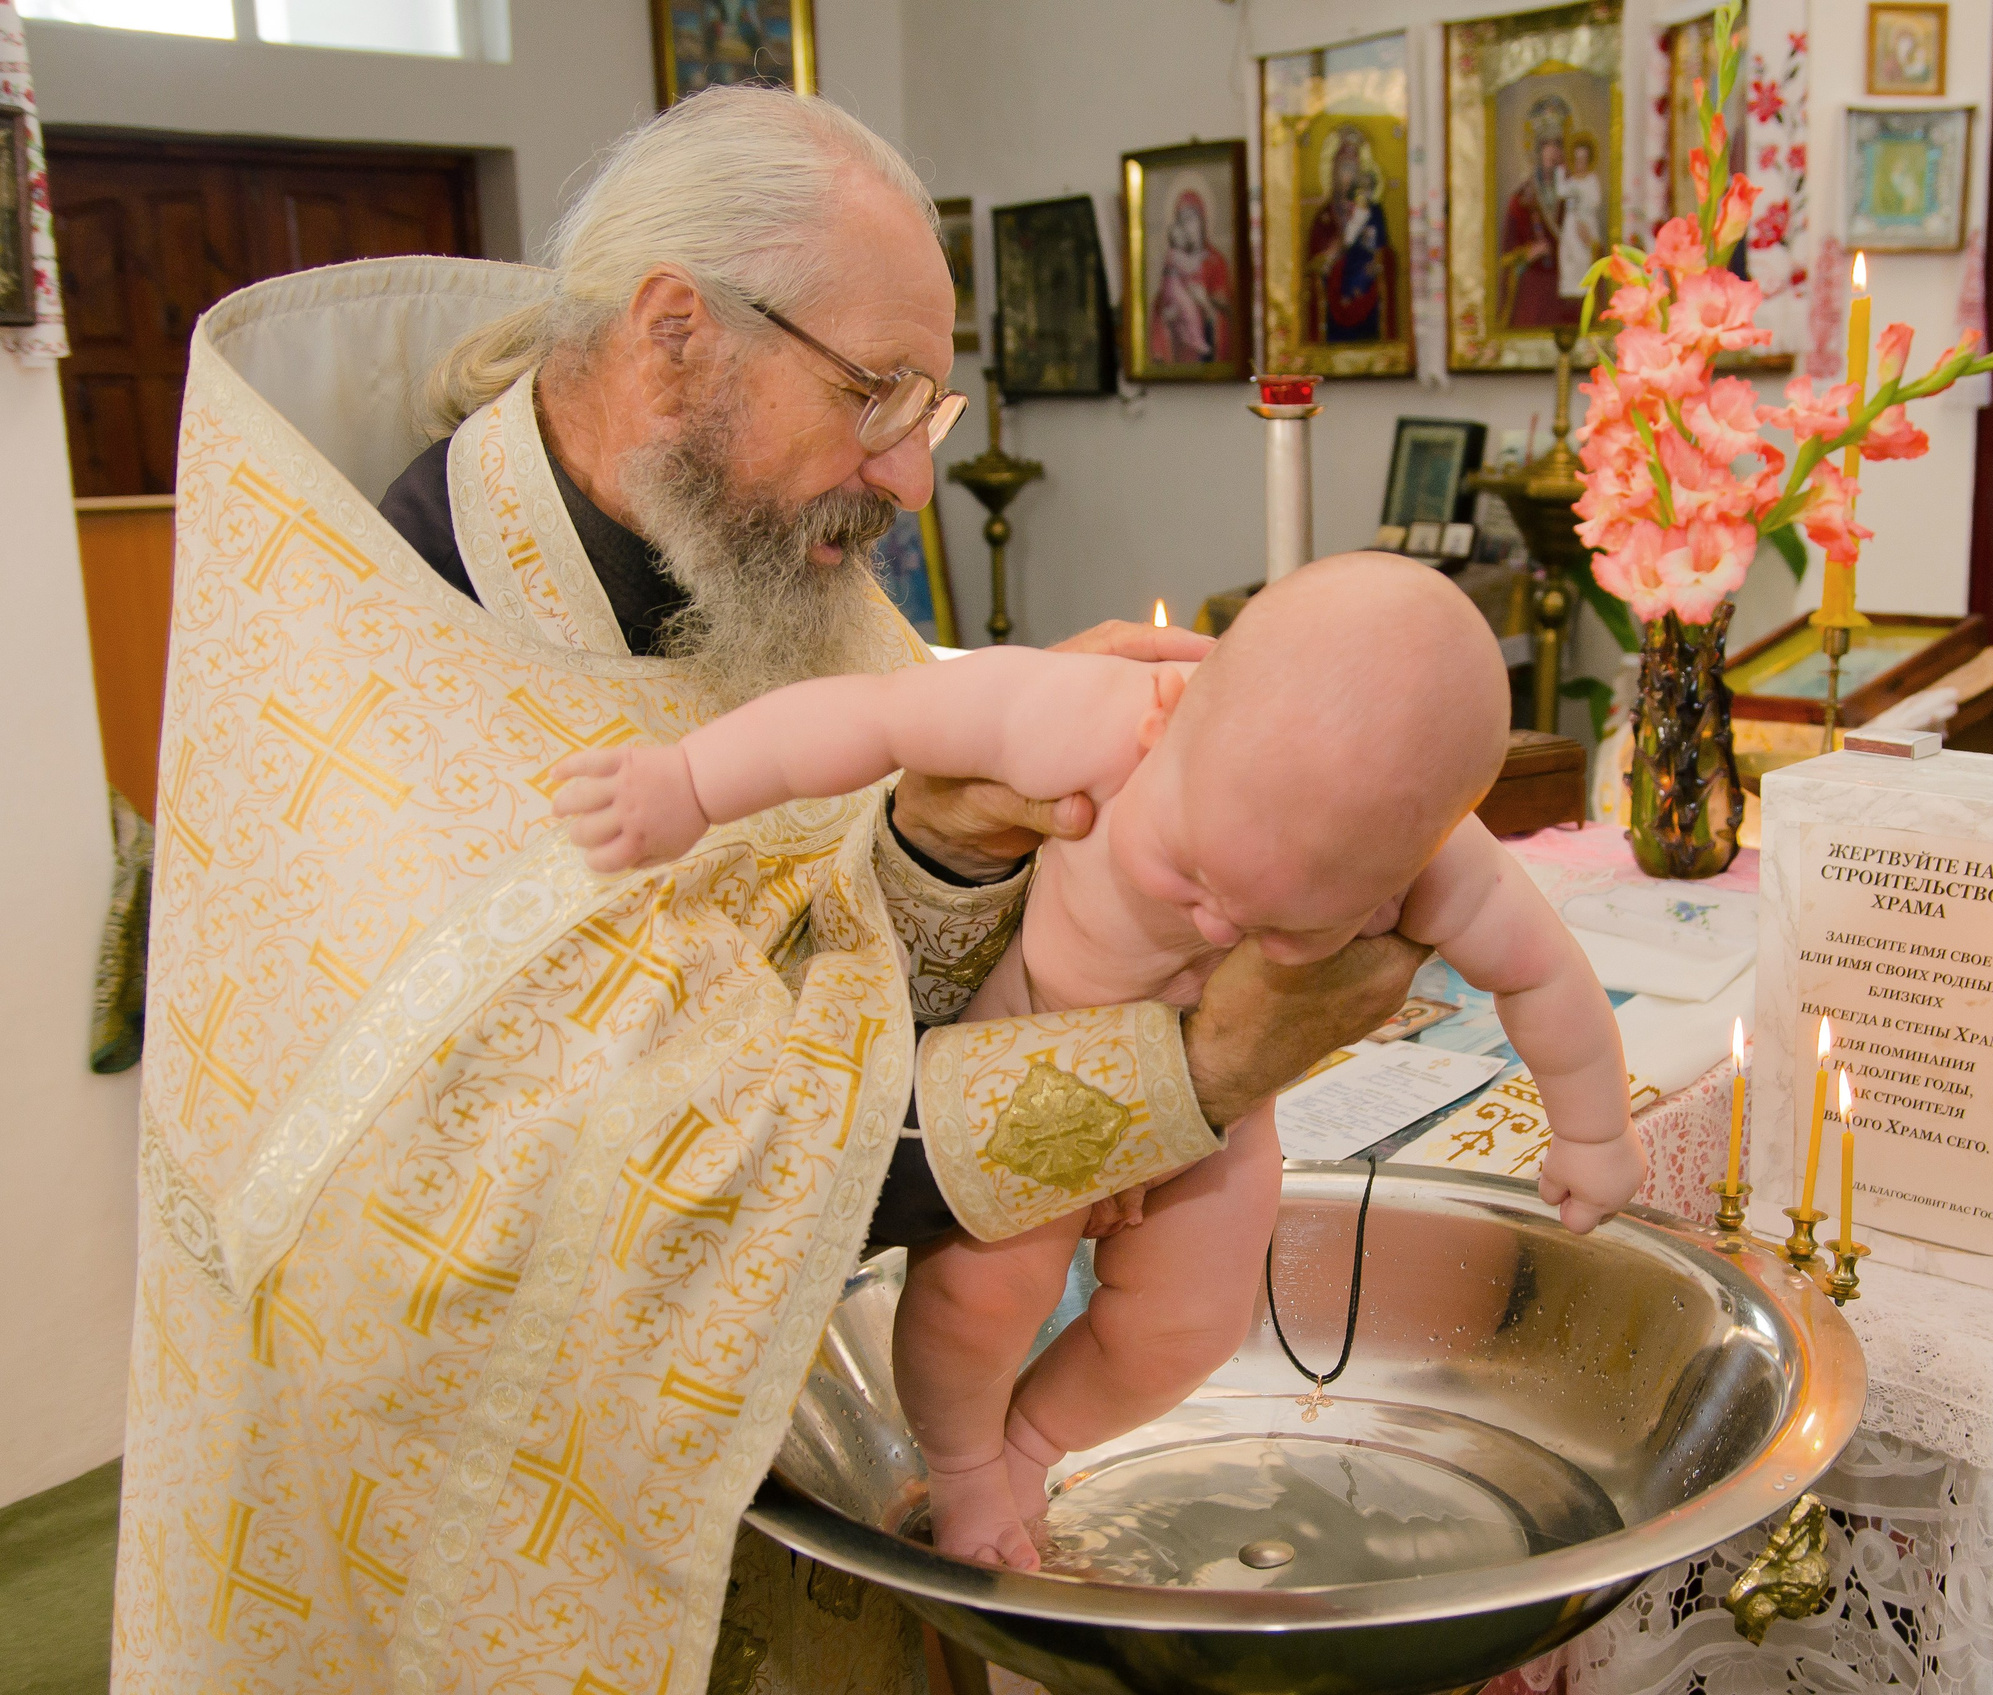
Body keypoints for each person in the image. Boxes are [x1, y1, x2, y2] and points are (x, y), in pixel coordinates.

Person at [113, 88, 1426, 1695]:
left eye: (926, 412)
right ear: (676, 334)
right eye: (876, 394)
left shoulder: (738, 562)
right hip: (473, 1526)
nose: (906, 478)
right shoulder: (394, 661)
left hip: (772, 1455)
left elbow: (828, 978)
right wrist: (1199, 1069)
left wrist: (951, 839)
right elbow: (659, 1173)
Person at [550, 554, 1648, 1570]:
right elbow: (867, 718)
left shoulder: (1430, 859)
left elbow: (1543, 978)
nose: (1218, 931)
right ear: (1173, 717)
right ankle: (967, 1464)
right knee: (979, 1300)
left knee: (1196, 1322)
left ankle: (1034, 1440)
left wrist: (1593, 1130)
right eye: (1192, 876)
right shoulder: (1096, 721)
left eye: (1282, 926)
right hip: (1019, 1058)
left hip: (1221, 1112)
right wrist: (685, 786)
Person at [1304, 125, 1399, 344]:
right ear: (1333, 170)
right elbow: (1314, 265)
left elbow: (1385, 252)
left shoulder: (1373, 212)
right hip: (1333, 309)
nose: (1350, 175)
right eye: (1344, 167)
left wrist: (1378, 263)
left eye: (1355, 168)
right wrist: (1331, 256)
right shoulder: (1324, 217)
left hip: (1368, 302)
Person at [1498, 94, 1577, 330]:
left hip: (1569, 281)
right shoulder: (1521, 199)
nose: (1553, 152)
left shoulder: (1577, 192)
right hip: (1534, 289)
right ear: (1536, 149)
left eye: (1558, 144)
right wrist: (1528, 252)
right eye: (1546, 145)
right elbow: (1507, 255)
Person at [1147, 186, 1235, 365]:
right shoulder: (1174, 260)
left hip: (1207, 354)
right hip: (1179, 354)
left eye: (1191, 219)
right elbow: (1161, 306)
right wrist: (1165, 316)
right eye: (1181, 221)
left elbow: (1228, 314)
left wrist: (1204, 302)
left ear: (1202, 221)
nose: (1186, 227)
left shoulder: (1216, 262)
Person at [1554, 134, 1606, 302]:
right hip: (1571, 225)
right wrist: (1560, 171)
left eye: (1583, 160)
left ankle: (1585, 293)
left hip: (1586, 224)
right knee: (1568, 257)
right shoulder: (1571, 181)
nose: (1579, 164)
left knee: (1583, 258)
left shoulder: (1591, 180)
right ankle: (1570, 295)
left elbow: (1594, 201)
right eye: (1576, 159)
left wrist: (1583, 222)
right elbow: (1561, 192)